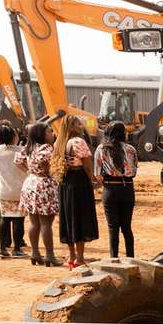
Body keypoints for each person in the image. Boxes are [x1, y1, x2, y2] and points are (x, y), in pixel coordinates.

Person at [54, 115, 99, 268]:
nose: (81, 126)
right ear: (72, 126)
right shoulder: (78, 142)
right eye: (78, 124)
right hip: (79, 181)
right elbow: (86, 163)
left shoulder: (60, 142)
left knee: (68, 218)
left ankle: (71, 256)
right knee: (81, 218)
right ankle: (80, 258)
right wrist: (92, 179)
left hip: (65, 182)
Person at [16, 121, 61, 267]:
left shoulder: (29, 147)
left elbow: (17, 161)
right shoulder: (46, 148)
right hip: (44, 185)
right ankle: (49, 255)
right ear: (42, 134)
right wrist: (48, 172)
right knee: (46, 223)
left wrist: (30, 171)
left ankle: (35, 253)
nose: (52, 134)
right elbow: (44, 160)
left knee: (34, 222)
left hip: (30, 183)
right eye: (49, 132)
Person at [93, 121, 138, 259]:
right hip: (127, 189)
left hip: (110, 189)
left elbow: (97, 174)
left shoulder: (101, 149)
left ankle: (114, 259)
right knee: (127, 227)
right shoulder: (131, 149)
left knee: (113, 228)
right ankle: (131, 258)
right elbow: (134, 171)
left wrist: (107, 182)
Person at [0, 122, 27, 258]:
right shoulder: (21, 151)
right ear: (13, 136)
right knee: (19, 221)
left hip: (2, 190)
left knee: (4, 220)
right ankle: (17, 249)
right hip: (19, 191)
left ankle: (2, 247)